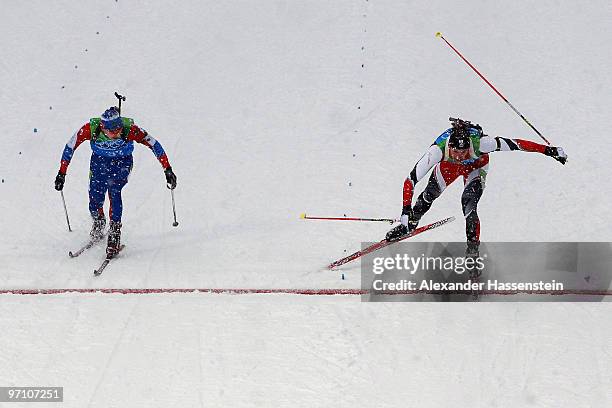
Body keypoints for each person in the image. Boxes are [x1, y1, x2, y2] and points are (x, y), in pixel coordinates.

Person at [386, 117, 567, 255]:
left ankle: (472, 252)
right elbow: (410, 180)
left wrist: (548, 150)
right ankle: (410, 224)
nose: (459, 155)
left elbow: (515, 144)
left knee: (469, 204)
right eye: (456, 151)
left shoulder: (482, 144)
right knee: (428, 194)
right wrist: (405, 210)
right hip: (448, 167)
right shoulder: (436, 151)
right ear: (450, 146)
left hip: (476, 166)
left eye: (464, 151)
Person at [54, 106, 177, 257]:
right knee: (95, 198)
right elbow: (70, 146)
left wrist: (167, 169)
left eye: (118, 130)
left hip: (122, 163)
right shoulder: (90, 129)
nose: (116, 134)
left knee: (114, 191)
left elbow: (153, 143)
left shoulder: (130, 129)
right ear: (102, 127)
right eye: (111, 132)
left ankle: (114, 231)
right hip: (99, 163)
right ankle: (99, 221)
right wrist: (62, 173)